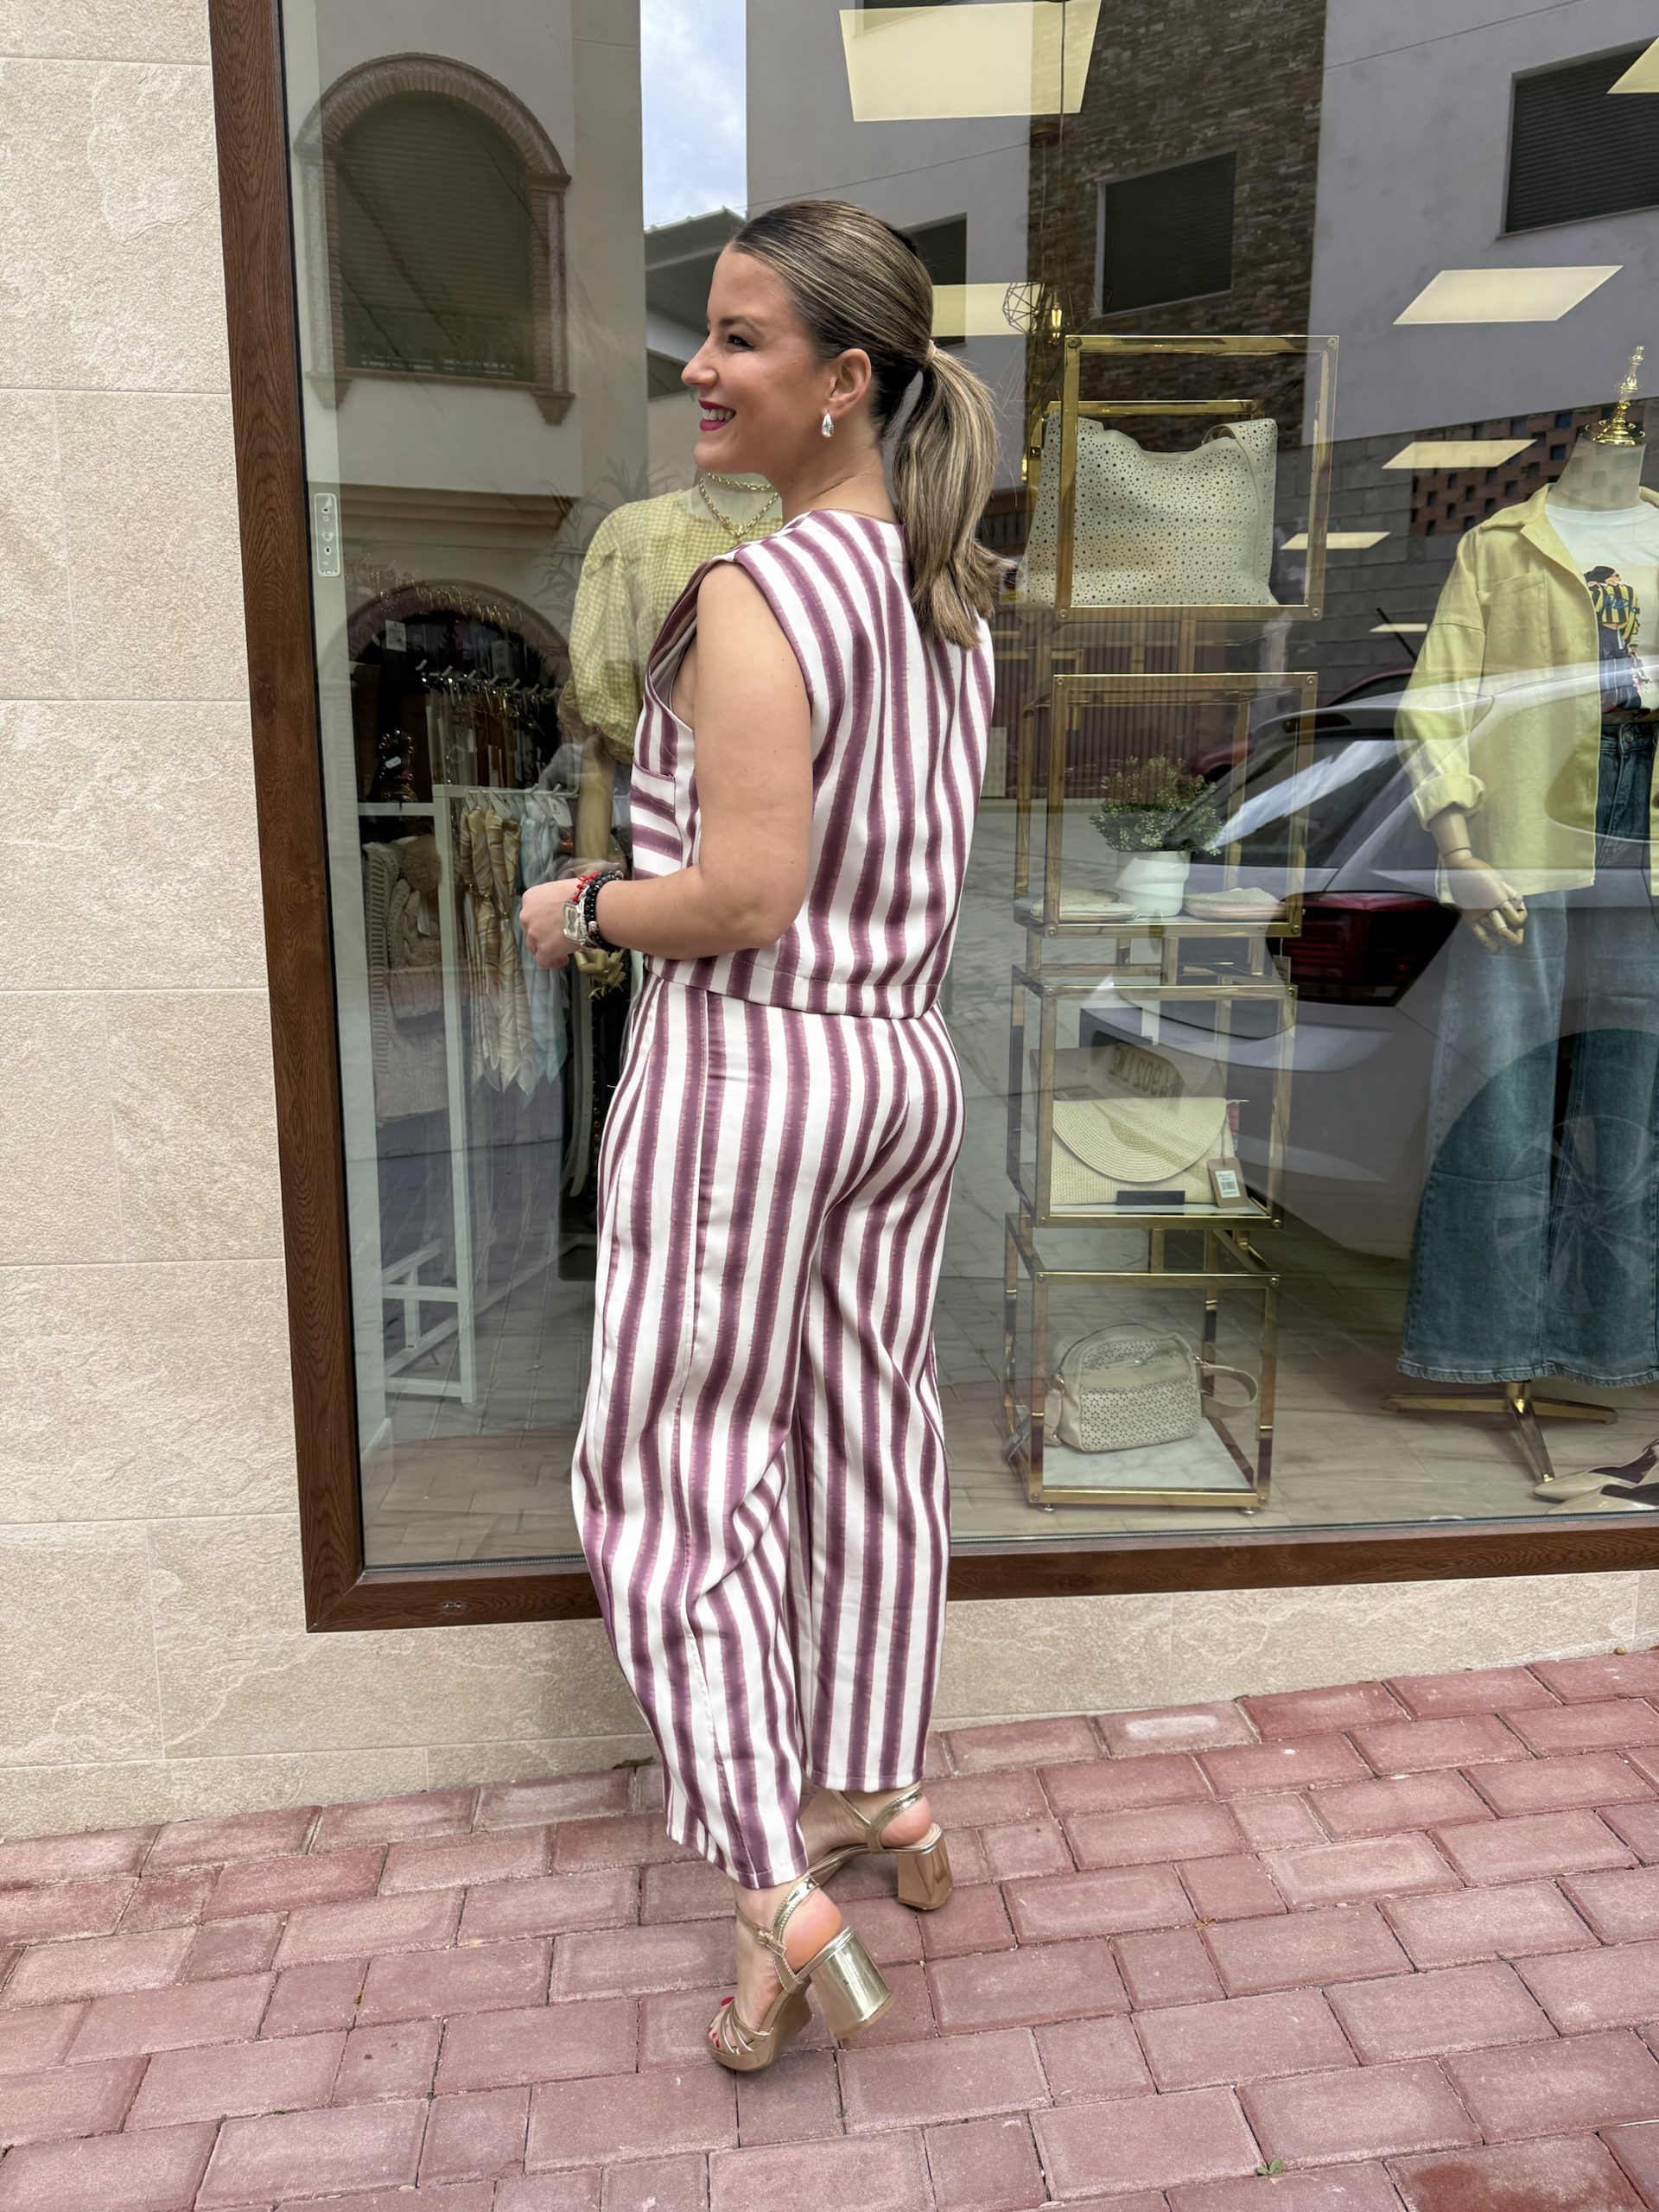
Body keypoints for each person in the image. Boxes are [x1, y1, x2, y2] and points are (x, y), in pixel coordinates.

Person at [520, 197, 998, 2072]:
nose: (700, 369)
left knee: (672, 1473)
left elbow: (740, 894)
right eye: (705, 334)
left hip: (753, 1069)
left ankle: (766, 1876)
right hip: (899, 1066)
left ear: (845, 378)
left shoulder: (757, 594)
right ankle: (877, 1783)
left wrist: (584, 906)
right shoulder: (948, 598)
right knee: (871, 1426)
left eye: (739, 338)